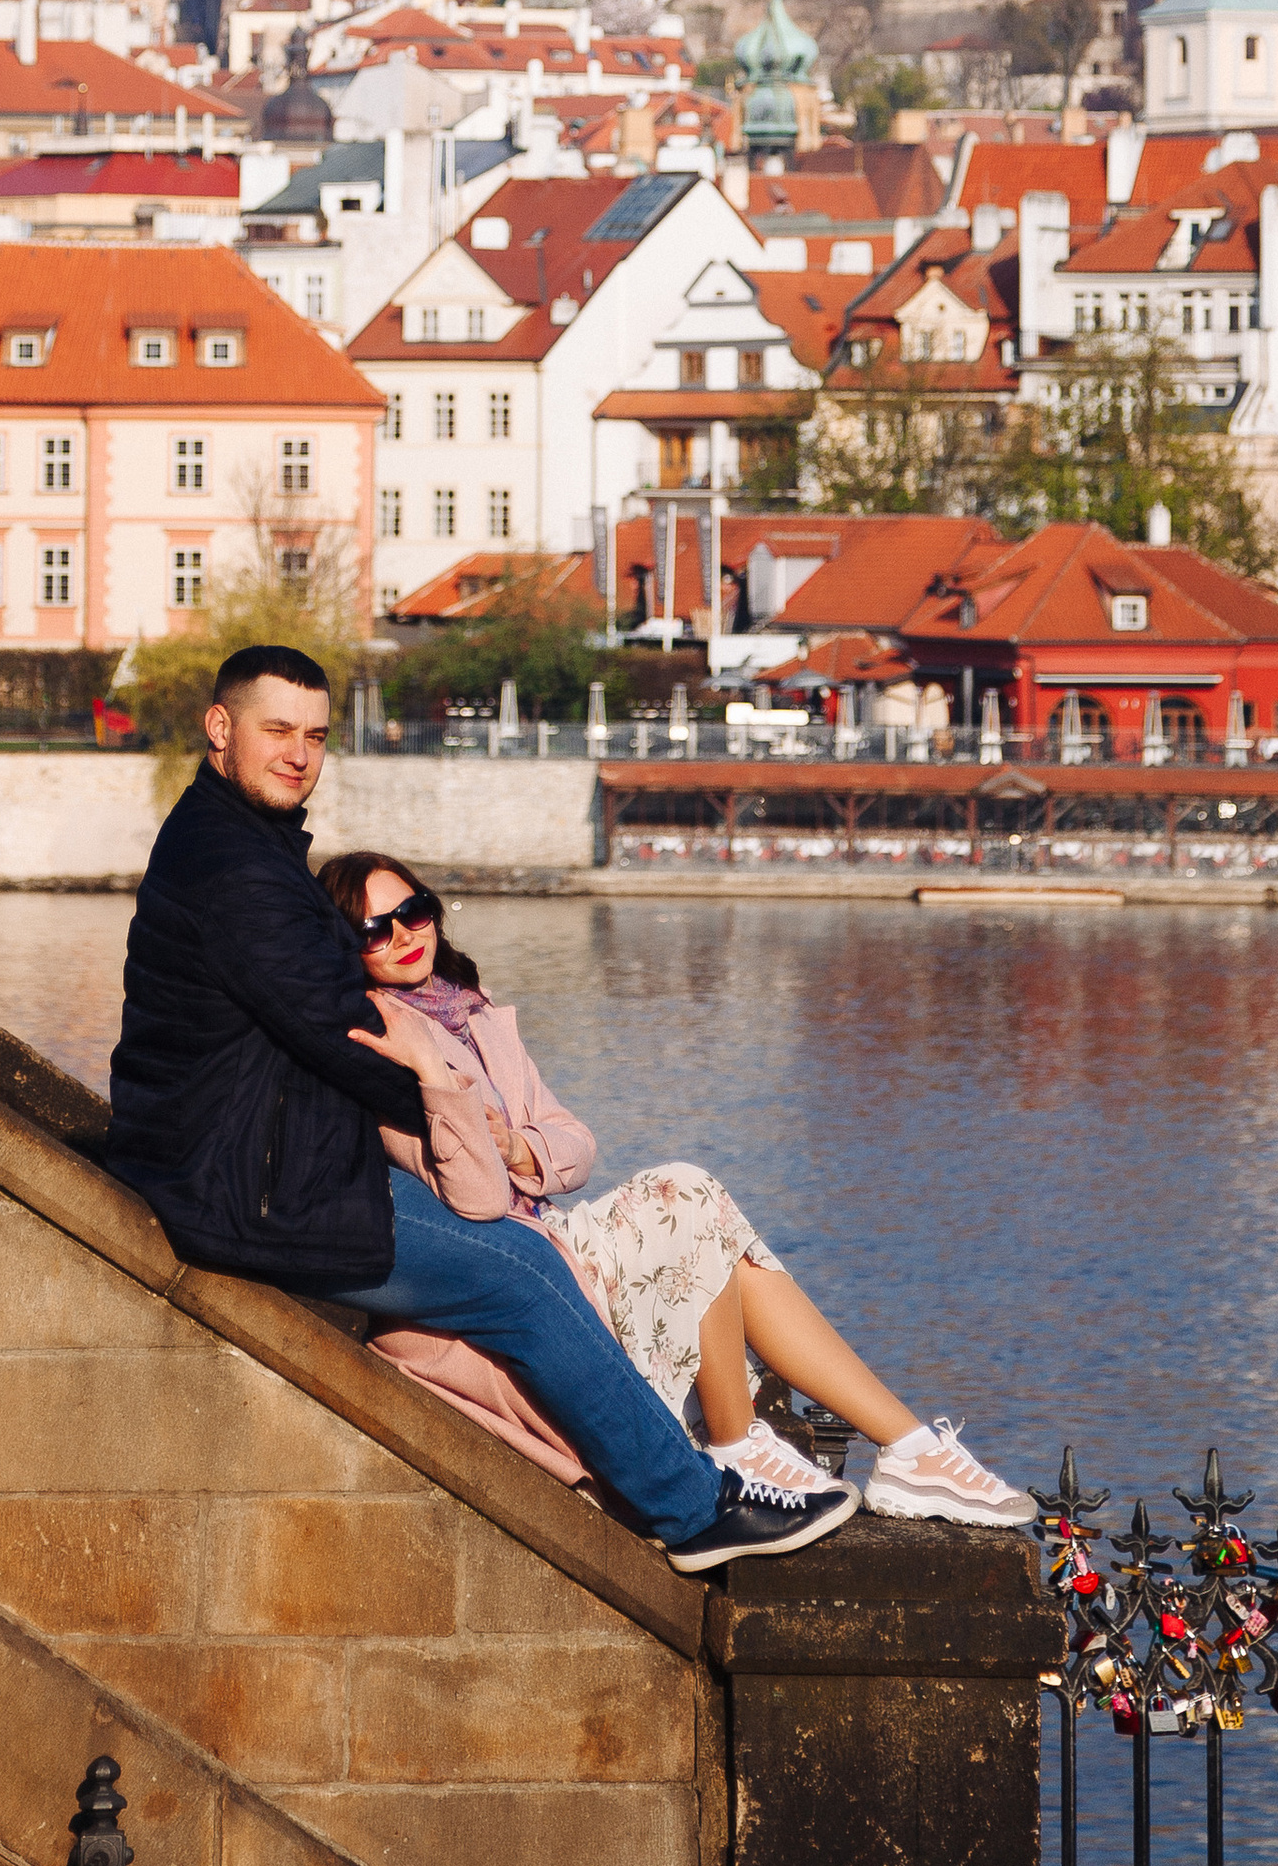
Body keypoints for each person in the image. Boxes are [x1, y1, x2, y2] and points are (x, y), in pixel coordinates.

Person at [102, 644, 856, 1573]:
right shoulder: (238, 868)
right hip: (251, 1190)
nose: (298, 754)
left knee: (521, 1254)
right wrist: (437, 1079)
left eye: (315, 737)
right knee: (520, 1277)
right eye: (277, 731)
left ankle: (683, 1476)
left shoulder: (233, 840)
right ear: (221, 728)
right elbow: (347, 1037)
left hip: (256, 1162)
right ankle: (695, 1512)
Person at [317, 846, 1037, 1529]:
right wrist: (433, 1076)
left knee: (721, 1237)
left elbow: (575, 1144)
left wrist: (520, 1149)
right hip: (523, 1263)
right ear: (348, 950)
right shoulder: (385, 1041)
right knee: (688, 1195)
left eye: (413, 911)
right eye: (375, 930)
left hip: (549, 1231)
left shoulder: (473, 1011)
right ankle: (747, 1446)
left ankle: (906, 1449)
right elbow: (475, 1201)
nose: (404, 935)